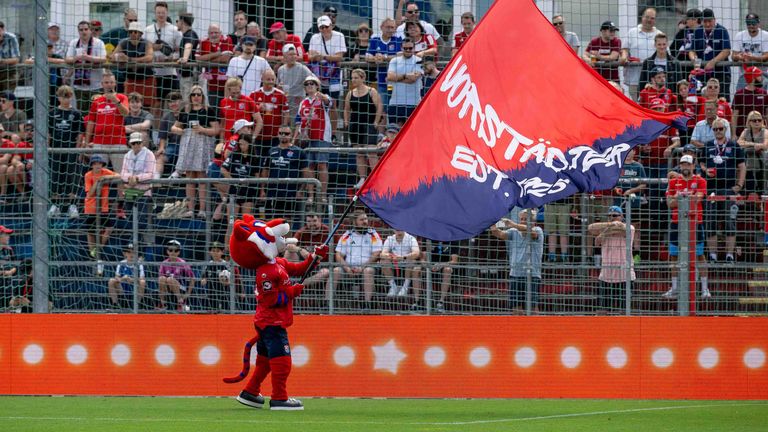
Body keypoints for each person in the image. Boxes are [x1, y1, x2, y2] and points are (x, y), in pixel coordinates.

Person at [664, 154, 710, 299]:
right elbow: (669, 204)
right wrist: (688, 197)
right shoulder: (673, 182)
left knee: (699, 255)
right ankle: (675, 287)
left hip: (696, 222)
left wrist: (680, 197)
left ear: (693, 166)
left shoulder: (701, 180)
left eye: (688, 164)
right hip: (677, 222)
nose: (685, 167)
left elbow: (698, 200)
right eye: (683, 164)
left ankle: (704, 289)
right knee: (673, 256)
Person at [701, 118, 746, 263]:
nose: (718, 131)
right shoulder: (707, 145)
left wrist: (739, 185)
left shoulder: (734, 145)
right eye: (715, 129)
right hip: (711, 190)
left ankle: (729, 255)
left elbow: (742, 167)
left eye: (720, 128)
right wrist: (705, 169)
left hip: (729, 190)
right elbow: (700, 162)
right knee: (710, 222)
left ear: (725, 129)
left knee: (730, 221)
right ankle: (713, 256)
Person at [171, 85, 220, 218]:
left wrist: (202, 130)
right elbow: (174, 127)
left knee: (202, 176)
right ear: (190, 97)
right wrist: (181, 131)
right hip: (188, 145)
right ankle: (191, 209)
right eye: (193, 95)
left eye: (199, 94)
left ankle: (202, 210)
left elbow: (216, 130)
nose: (196, 97)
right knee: (190, 176)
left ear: (203, 96)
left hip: (203, 144)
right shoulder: (185, 111)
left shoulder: (208, 110)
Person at [490, 210, 544, 313]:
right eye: (521, 219)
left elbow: (530, 232)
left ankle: (537, 328)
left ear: (533, 221)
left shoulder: (538, 230)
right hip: (515, 274)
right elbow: (500, 234)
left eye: (525, 219)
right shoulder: (514, 232)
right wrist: (493, 225)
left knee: (533, 308)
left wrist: (512, 224)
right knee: (515, 308)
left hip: (532, 275)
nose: (522, 221)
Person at [330, 209, 382, 309]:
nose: (365, 222)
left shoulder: (373, 234)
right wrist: (347, 268)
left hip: (367, 267)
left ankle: (367, 304)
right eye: (361, 220)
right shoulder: (347, 235)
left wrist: (362, 267)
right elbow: (338, 255)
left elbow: (377, 253)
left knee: (368, 271)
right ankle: (327, 304)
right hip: (348, 269)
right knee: (335, 270)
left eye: (366, 219)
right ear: (354, 222)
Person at [587, 206, 635, 313]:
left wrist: (605, 230)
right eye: (609, 216)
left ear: (622, 216)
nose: (611, 218)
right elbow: (590, 228)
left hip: (624, 276)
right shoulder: (605, 229)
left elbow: (624, 229)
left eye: (614, 216)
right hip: (606, 276)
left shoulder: (630, 227)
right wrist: (610, 227)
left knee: (624, 311)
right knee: (602, 311)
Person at [48, 85, 85, 219]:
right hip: (56, 149)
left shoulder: (76, 114)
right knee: (55, 177)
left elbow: (80, 134)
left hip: (71, 149)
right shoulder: (52, 113)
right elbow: (48, 133)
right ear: (58, 97)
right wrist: (48, 149)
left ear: (71, 97)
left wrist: (77, 149)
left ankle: (72, 205)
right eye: (62, 96)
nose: (65, 99)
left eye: (68, 96)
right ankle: (55, 205)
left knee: (71, 177)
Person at [343, 68, 383, 189]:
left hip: (369, 124)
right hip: (355, 126)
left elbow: (379, 107)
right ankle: (362, 179)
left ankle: (376, 178)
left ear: (362, 78)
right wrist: (346, 121)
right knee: (359, 153)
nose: (353, 80)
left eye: (356, 78)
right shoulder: (350, 93)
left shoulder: (372, 91)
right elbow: (346, 108)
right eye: (352, 78)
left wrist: (376, 122)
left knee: (371, 152)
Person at [308, 14, 347, 136]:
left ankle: (333, 134)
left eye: (326, 26)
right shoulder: (315, 37)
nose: (324, 29)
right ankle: (317, 132)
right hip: (318, 73)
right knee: (316, 102)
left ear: (331, 25)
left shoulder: (339, 36)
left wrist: (323, 56)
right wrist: (324, 57)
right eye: (321, 27)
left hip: (334, 73)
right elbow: (310, 56)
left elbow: (339, 57)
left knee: (333, 104)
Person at [84, 71, 129, 173]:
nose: (109, 85)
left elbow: (126, 113)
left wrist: (115, 100)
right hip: (99, 142)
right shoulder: (97, 101)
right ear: (102, 84)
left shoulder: (122, 97)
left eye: (111, 82)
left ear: (115, 83)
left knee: (121, 175)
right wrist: (87, 142)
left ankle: (121, 190)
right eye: (107, 82)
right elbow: (91, 122)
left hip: (118, 142)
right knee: (98, 174)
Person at [145, 1, 182, 123]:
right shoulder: (147, 30)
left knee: (174, 104)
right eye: (158, 13)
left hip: (170, 73)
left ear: (167, 13)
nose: (161, 15)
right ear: (155, 14)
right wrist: (152, 56)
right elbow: (144, 50)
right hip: (153, 73)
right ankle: (155, 135)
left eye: (163, 13)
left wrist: (169, 58)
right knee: (156, 106)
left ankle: (173, 131)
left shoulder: (175, 30)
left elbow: (180, 51)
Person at [297, 75, 332, 204]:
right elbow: (298, 120)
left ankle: (322, 195)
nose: (310, 86)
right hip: (307, 137)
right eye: (307, 84)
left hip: (322, 135)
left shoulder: (322, 99)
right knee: (309, 166)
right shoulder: (303, 102)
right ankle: (310, 195)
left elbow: (329, 102)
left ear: (317, 85)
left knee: (322, 164)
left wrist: (321, 96)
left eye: (312, 83)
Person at [260, 125, 307, 220]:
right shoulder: (271, 151)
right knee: (270, 221)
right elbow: (265, 170)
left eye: (286, 133)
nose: (283, 135)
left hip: (290, 193)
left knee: (286, 223)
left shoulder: (298, 152)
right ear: (277, 135)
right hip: (273, 192)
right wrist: (262, 190)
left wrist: (301, 190)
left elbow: (305, 173)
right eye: (281, 133)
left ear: (291, 135)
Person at [83, 154, 120, 259]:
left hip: (103, 207)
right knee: (90, 231)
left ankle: (99, 248)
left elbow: (118, 176)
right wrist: (98, 182)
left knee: (109, 228)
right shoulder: (88, 175)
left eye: (99, 163)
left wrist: (105, 177)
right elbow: (89, 194)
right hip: (90, 207)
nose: (97, 166)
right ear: (92, 165)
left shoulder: (105, 172)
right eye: (95, 164)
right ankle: (92, 251)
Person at [110, 22, 155, 110]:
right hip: (131, 79)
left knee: (147, 106)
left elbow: (150, 57)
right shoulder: (124, 42)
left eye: (135, 32)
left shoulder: (146, 43)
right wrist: (119, 57)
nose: (133, 34)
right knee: (129, 104)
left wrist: (130, 59)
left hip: (146, 78)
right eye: (131, 32)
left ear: (140, 33)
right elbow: (112, 57)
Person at [65, 20, 107, 112]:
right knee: (82, 112)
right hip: (79, 86)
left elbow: (103, 59)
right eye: (81, 30)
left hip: (96, 85)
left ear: (90, 30)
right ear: (78, 31)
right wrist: (78, 57)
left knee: (97, 111)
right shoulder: (74, 43)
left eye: (86, 29)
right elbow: (68, 59)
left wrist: (88, 57)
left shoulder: (98, 42)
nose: (83, 32)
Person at [690, 9, 732, 99]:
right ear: (701, 21)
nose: (708, 24)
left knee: (721, 100)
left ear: (714, 20)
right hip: (702, 74)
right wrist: (695, 61)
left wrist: (713, 62)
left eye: (710, 21)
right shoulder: (698, 31)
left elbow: (726, 50)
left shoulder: (722, 30)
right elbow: (692, 51)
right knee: (701, 100)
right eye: (705, 21)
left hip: (720, 73)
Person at [249, 69, 289, 160]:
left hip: (274, 136)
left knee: (272, 160)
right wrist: (258, 108)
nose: (271, 82)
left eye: (272, 79)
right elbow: (248, 114)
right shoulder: (254, 94)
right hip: (259, 136)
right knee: (258, 160)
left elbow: (286, 113)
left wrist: (283, 127)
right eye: (268, 79)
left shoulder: (281, 95)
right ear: (262, 79)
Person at [621, 7, 660, 99]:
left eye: (652, 18)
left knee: (653, 104)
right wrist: (624, 57)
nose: (649, 20)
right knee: (636, 105)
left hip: (654, 80)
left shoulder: (659, 34)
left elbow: (665, 53)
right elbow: (625, 49)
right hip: (635, 78)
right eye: (647, 17)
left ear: (655, 20)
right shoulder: (632, 32)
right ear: (642, 17)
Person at [120, 132, 156, 232]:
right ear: (130, 144)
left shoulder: (149, 154)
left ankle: (138, 245)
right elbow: (123, 173)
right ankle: (132, 244)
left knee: (141, 221)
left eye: (138, 142)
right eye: (134, 143)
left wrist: (137, 178)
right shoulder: (127, 155)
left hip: (143, 192)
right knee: (130, 220)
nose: (136, 145)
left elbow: (150, 173)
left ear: (142, 143)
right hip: (129, 190)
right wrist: (130, 178)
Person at [366, 18, 402, 110]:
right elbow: (367, 57)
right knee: (383, 107)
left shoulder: (398, 40)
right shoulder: (375, 40)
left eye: (392, 27)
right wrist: (375, 58)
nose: (390, 30)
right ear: (381, 27)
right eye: (388, 27)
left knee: (395, 106)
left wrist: (385, 57)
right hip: (382, 81)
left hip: (396, 81)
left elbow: (401, 55)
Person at [386, 39, 423, 126]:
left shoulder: (418, 60)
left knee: (412, 131)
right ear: (401, 48)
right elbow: (390, 77)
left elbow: (413, 79)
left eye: (410, 48)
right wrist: (406, 75)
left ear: (414, 48)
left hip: (413, 102)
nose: (408, 50)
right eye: (405, 48)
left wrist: (397, 78)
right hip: (395, 102)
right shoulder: (394, 60)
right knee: (393, 131)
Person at [197, 25, 235, 110]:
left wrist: (207, 59)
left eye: (216, 32)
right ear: (208, 33)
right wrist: (217, 54)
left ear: (220, 33)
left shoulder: (226, 39)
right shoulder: (203, 41)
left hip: (226, 83)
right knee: (214, 109)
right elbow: (198, 59)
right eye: (211, 33)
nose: (214, 35)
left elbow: (225, 59)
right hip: (212, 83)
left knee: (227, 108)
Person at [222, 133, 259, 217]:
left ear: (249, 144)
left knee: (247, 221)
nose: (242, 146)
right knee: (231, 222)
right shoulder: (234, 155)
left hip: (248, 191)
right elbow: (223, 169)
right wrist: (233, 181)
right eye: (240, 144)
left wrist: (252, 184)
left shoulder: (254, 158)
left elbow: (257, 175)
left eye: (244, 144)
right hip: (234, 191)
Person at [276, 44, 314, 120]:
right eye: (290, 54)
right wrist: (279, 88)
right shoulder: (281, 69)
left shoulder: (302, 68)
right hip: (285, 103)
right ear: (284, 56)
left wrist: (307, 95)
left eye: (294, 54)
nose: (293, 56)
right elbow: (278, 87)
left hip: (298, 104)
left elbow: (315, 81)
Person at [381, 229, 421, 299]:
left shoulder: (411, 238)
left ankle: (405, 287)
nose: (398, 230)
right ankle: (393, 287)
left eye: (400, 228)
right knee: (384, 261)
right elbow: (382, 254)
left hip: (406, 261)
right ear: (393, 230)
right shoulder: (390, 239)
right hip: (394, 262)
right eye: (396, 228)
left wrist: (403, 257)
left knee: (411, 261)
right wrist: (391, 256)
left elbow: (416, 253)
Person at [732, 14, 768, 90]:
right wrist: (740, 57)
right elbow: (733, 56)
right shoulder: (739, 35)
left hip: (762, 74)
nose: (751, 25)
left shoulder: (765, 35)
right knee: (741, 96)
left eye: (753, 23)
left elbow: (766, 57)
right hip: (745, 74)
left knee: (762, 99)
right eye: (748, 23)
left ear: (758, 23)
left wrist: (752, 58)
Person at [157, 239, 195, 311]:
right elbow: (160, 278)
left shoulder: (182, 263)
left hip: (180, 288)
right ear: (167, 251)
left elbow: (192, 278)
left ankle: (180, 302)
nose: (173, 252)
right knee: (161, 278)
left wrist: (188, 293)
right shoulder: (164, 263)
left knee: (170, 279)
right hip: (167, 287)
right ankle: (162, 303)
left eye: (176, 250)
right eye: (170, 250)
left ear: (179, 252)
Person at [737, 111, 768, 194]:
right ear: (749, 122)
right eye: (754, 120)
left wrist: (747, 145)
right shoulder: (746, 131)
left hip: (762, 166)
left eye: (759, 120)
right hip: (748, 167)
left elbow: (765, 145)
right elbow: (739, 143)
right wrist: (753, 144)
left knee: (761, 192)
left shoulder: (765, 131)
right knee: (748, 191)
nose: (757, 122)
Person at [107, 243, 146, 309]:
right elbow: (116, 277)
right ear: (125, 254)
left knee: (142, 282)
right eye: (129, 252)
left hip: (134, 288)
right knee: (111, 281)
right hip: (122, 288)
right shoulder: (121, 263)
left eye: (133, 252)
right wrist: (123, 278)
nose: (131, 254)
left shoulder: (139, 264)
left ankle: (138, 304)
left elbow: (142, 277)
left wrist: (133, 280)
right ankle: (115, 304)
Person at [731, 67, 767, 136]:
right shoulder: (739, 94)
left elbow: (766, 115)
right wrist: (733, 134)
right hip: (743, 134)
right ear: (753, 78)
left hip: (761, 134)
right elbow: (734, 116)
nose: (761, 78)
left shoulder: (764, 93)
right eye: (759, 75)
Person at [428, 240, 460, 313]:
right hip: (430, 265)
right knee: (417, 269)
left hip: (445, 264)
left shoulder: (453, 240)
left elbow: (454, 261)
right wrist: (429, 265)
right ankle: (417, 302)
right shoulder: (429, 237)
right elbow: (423, 258)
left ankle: (441, 302)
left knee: (448, 270)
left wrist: (441, 265)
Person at [155, 91, 182, 178]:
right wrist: (162, 148)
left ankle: (175, 175)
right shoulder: (166, 117)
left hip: (186, 145)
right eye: (170, 102)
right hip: (173, 145)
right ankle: (156, 178)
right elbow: (162, 136)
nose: (172, 104)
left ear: (180, 101)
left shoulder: (187, 114)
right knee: (160, 156)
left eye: (175, 101)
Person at [175, 12, 200, 100]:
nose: (176, 23)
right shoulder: (187, 35)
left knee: (188, 101)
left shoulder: (190, 34)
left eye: (177, 21)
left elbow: (188, 46)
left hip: (189, 76)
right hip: (186, 75)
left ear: (182, 21)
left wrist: (185, 58)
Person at [200, 241, 230, 310]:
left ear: (222, 252)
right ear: (210, 252)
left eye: (218, 251)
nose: (215, 253)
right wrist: (204, 280)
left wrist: (227, 281)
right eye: (213, 251)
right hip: (212, 293)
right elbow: (204, 276)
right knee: (212, 311)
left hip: (224, 293)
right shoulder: (208, 264)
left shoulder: (225, 264)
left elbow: (231, 277)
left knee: (225, 311)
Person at [0, 21, 20, 93]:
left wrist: (2, 61)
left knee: (7, 97)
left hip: (9, 72)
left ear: (3, 30)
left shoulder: (11, 38)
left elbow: (16, 59)